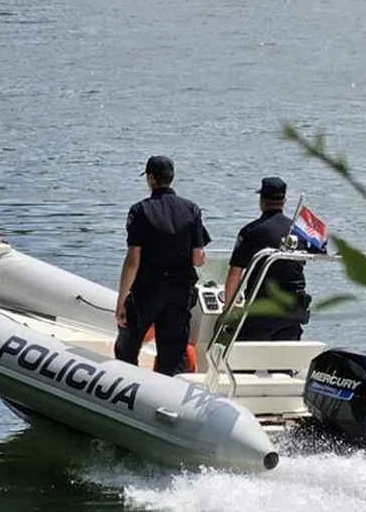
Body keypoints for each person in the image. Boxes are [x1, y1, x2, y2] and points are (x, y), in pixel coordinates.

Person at [114, 155, 211, 375]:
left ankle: (128, 383)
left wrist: (121, 300)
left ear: (151, 179)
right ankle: (170, 387)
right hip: (180, 290)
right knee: (173, 354)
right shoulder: (192, 209)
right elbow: (198, 258)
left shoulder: (140, 210)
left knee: (127, 347)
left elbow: (133, 260)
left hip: (148, 289)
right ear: (171, 177)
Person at [224, 177, 311, 341]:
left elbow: (234, 274)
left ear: (262, 201)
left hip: (261, 309)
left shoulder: (250, 231)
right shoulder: (299, 232)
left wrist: (228, 309)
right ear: (284, 201)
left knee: (243, 352)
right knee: (285, 354)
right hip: (293, 309)